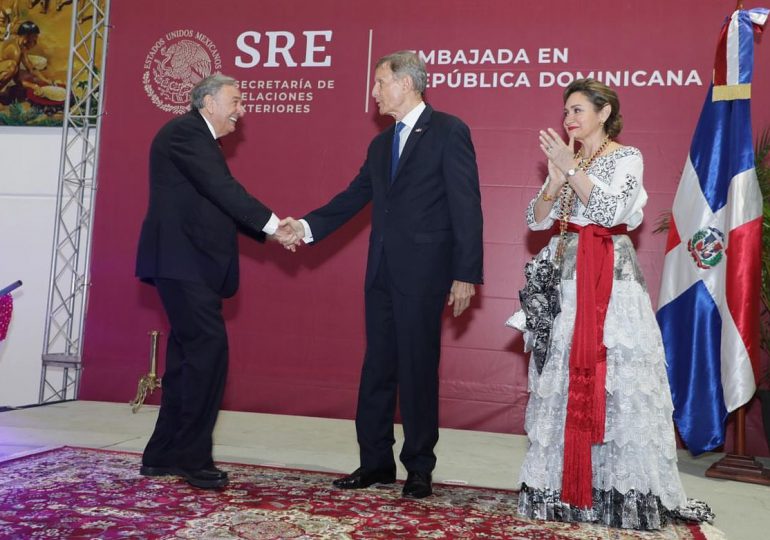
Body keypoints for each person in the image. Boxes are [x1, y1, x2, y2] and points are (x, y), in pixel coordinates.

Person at [282, 51, 483, 499]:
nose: (373, 92)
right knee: (377, 367)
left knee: (416, 367)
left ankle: (418, 468)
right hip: (381, 274)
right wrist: (306, 226)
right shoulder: (380, 144)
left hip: (426, 274)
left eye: (379, 82)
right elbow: (353, 198)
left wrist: (465, 273)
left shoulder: (449, 131)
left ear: (407, 84)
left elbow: (466, 205)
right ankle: (374, 463)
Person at [513, 78, 698, 529]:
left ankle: (619, 490)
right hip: (567, 279)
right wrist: (555, 180)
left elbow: (610, 212)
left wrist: (571, 172)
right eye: (566, 111)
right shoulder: (568, 160)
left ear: (604, 112)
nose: (569, 119)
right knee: (562, 381)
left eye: (578, 110)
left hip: (609, 280)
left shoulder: (626, 157)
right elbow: (534, 221)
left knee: (616, 381)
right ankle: (562, 488)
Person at [135, 74, 297, 489]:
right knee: (207, 357)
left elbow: (215, 203)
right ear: (208, 102)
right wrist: (277, 226)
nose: (242, 110)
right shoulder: (187, 133)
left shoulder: (196, 138)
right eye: (236, 101)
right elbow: (224, 191)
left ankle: (162, 454)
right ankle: (193, 458)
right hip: (183, 263)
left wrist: (268, 231)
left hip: (187, 265)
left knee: (187, 362)